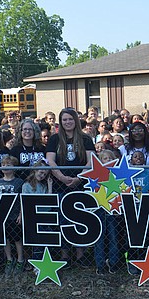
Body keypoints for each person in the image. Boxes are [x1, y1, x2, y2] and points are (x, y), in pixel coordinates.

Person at [46, 107, 95, 264]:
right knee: (63, 221)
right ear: (60, 122)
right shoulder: (54, 139)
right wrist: (62, 177)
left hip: (81, 185)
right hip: (60, 186)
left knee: (80, 219)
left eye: (70, 119)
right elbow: (50, 161)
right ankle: (65, 255)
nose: (67, 122)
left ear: (76, 121)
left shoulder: (85, 139)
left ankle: (80, 255)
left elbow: (91, 160)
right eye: (64, 119)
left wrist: (78, 178)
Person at [0, 156, 25, 275]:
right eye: (3, 165)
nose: (5, 167)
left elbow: (22, 199)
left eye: (9, 165)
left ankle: (20, 259)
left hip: (14, 215)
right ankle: (9, 259)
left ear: (14, 167)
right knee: (5, 238)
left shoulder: (19, 182)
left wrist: (21, 214)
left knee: (16, 238)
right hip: (2, 215)